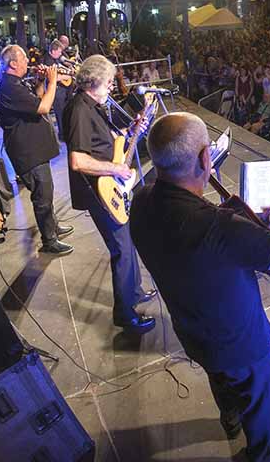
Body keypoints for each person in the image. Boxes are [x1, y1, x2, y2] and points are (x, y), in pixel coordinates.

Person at [131, 112, 270, 461]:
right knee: (261, 400)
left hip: (192, 329)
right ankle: (262, 452)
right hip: (241, 341)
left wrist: (250, 231)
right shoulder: (220, 229)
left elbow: (194, 237)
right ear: (205, 158)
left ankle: (229, 419)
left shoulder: (142, 201)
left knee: (221, 379)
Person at [62, 55, 156, 336]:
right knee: (122, 250)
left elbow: (105, 142)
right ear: (93, 82)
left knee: (127, 242)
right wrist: (115, 168)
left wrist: (131, 131)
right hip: (98, 191)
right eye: (107, 83)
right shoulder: (79, 109)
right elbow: (77, 160)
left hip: (109, 184)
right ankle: (125, 316)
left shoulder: (94, 105)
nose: (111, 89)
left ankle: (135, 292)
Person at [0, 45, 73, 255]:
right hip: (28, 152)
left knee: (45, 192)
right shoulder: (9, 87)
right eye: (23, 59)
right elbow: (43, 107)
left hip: (35, 149)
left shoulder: (15, 83)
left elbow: (35, 100)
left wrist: (43, 81)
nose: (27, 62)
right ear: (12, 63)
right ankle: (49, 241)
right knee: (42, 195)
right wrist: (54, 81)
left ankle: (53, 227)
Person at [38, 39, 71, 140]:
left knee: (65, 112)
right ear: (53, 51)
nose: (61, 54)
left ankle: (66, 131)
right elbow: (51, 77)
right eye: (59, 51)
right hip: (56, 91)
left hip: (63, 90)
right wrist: (66, 77)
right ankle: (62, 135)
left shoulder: (56, 59)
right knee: (60, 112)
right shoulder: (47, 61)